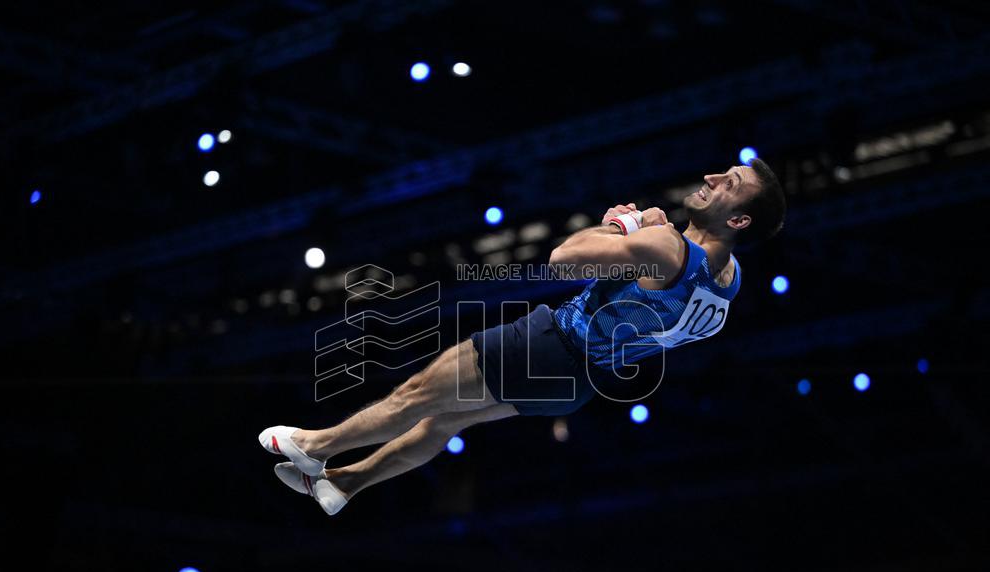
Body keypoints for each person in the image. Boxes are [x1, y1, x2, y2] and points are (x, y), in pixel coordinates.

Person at [259, 158, 786, 515]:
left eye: (729, 184)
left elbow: (562, 261)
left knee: (416, 395)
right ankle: (344, 484)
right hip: (577, 384)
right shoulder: (727, 285)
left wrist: (622, 228)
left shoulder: (669, 248)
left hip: (549, 344)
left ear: (738, 218)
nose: (713, 176)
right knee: (443, 422)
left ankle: (314, 446)